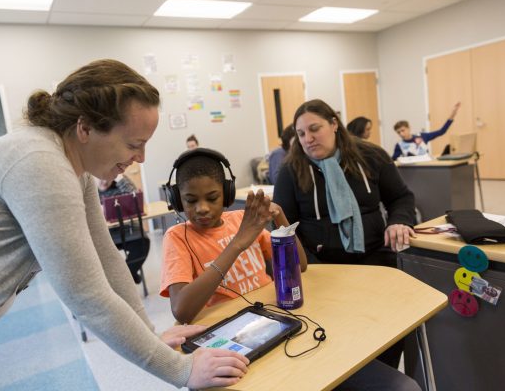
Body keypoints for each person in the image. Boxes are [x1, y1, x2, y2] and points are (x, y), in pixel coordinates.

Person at [0, 59, 249, 390]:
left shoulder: (75, 169)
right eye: (134, 144)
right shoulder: (39, 162)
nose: (142, 158)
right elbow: (87, 297)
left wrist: (150, 333)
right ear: (85, 128)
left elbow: (107, 260)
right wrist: (182, 370)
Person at [273, 99, 420, 390]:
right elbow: (283, 227)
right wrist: (309, 270)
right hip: (323, 268)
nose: (308, 138)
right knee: (340, 333)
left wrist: (399, 220)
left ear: (334, 124)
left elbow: (401, 198)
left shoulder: (371, 156)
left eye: (315, 129)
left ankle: (382, 375)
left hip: (376, 258)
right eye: (301, 134)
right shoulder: (291, 170)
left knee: (398, 324)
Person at [159, 148, 307, 324]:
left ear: (227, 194)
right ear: (178, 200)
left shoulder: (241, 220)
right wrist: (236, 244)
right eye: (191, 201)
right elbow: (181, 311)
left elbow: (301, 266)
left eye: (212, 198)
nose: (202, 208)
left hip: (268, 314)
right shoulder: (177, 237)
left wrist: (280, 215)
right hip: (226, 323)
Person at [392, 102, 461, 160]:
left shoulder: (422, 136)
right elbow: (394, 161)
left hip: (427, 165)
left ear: (409, 128)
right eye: (398, 132)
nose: (401, 134)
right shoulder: (399, 145)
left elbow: (441, 131)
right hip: (412, 171)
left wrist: (453, 114)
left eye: (402, 130)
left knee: (448, 149)